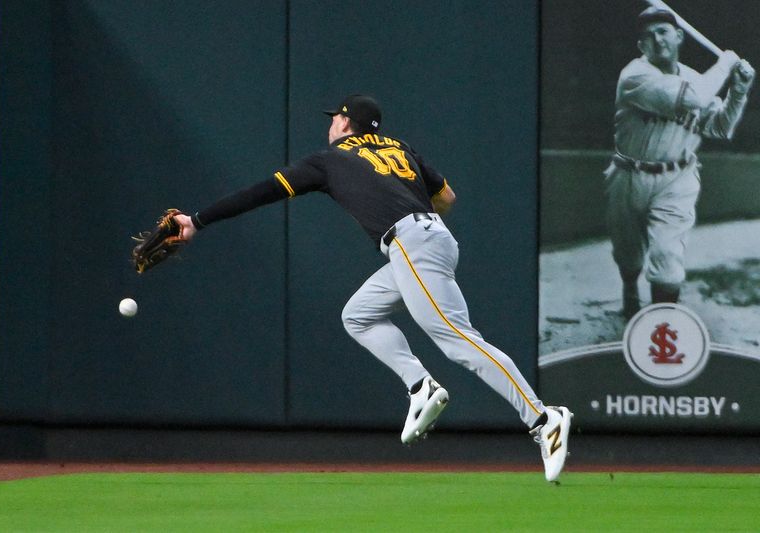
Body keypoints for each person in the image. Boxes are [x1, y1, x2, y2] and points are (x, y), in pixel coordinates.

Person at [173, 94, 572, 482]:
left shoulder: (330, 160)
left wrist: (197, 220)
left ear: (346, 122)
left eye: (334, 118)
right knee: (358, 315)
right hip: (429, 239)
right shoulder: (399, 147)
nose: (331, 124)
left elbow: (261, 192)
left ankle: (542, 417)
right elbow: (447, 196)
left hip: (412, 245)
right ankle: (421, 385)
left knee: (458, 339)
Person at [606, 7, 754, 319]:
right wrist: (726, 63)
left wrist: (738, 92)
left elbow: (720, 127)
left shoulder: (695, 79)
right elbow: (697, 98)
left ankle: (661, 328)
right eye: (647, 35)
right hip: (628, 173)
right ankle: (630, 288)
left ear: (679, 36)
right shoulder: (635, 76)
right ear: (640, 47)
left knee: (668, 267)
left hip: (677, 179)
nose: (656, 39)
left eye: (662, 31)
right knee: (628, 255)